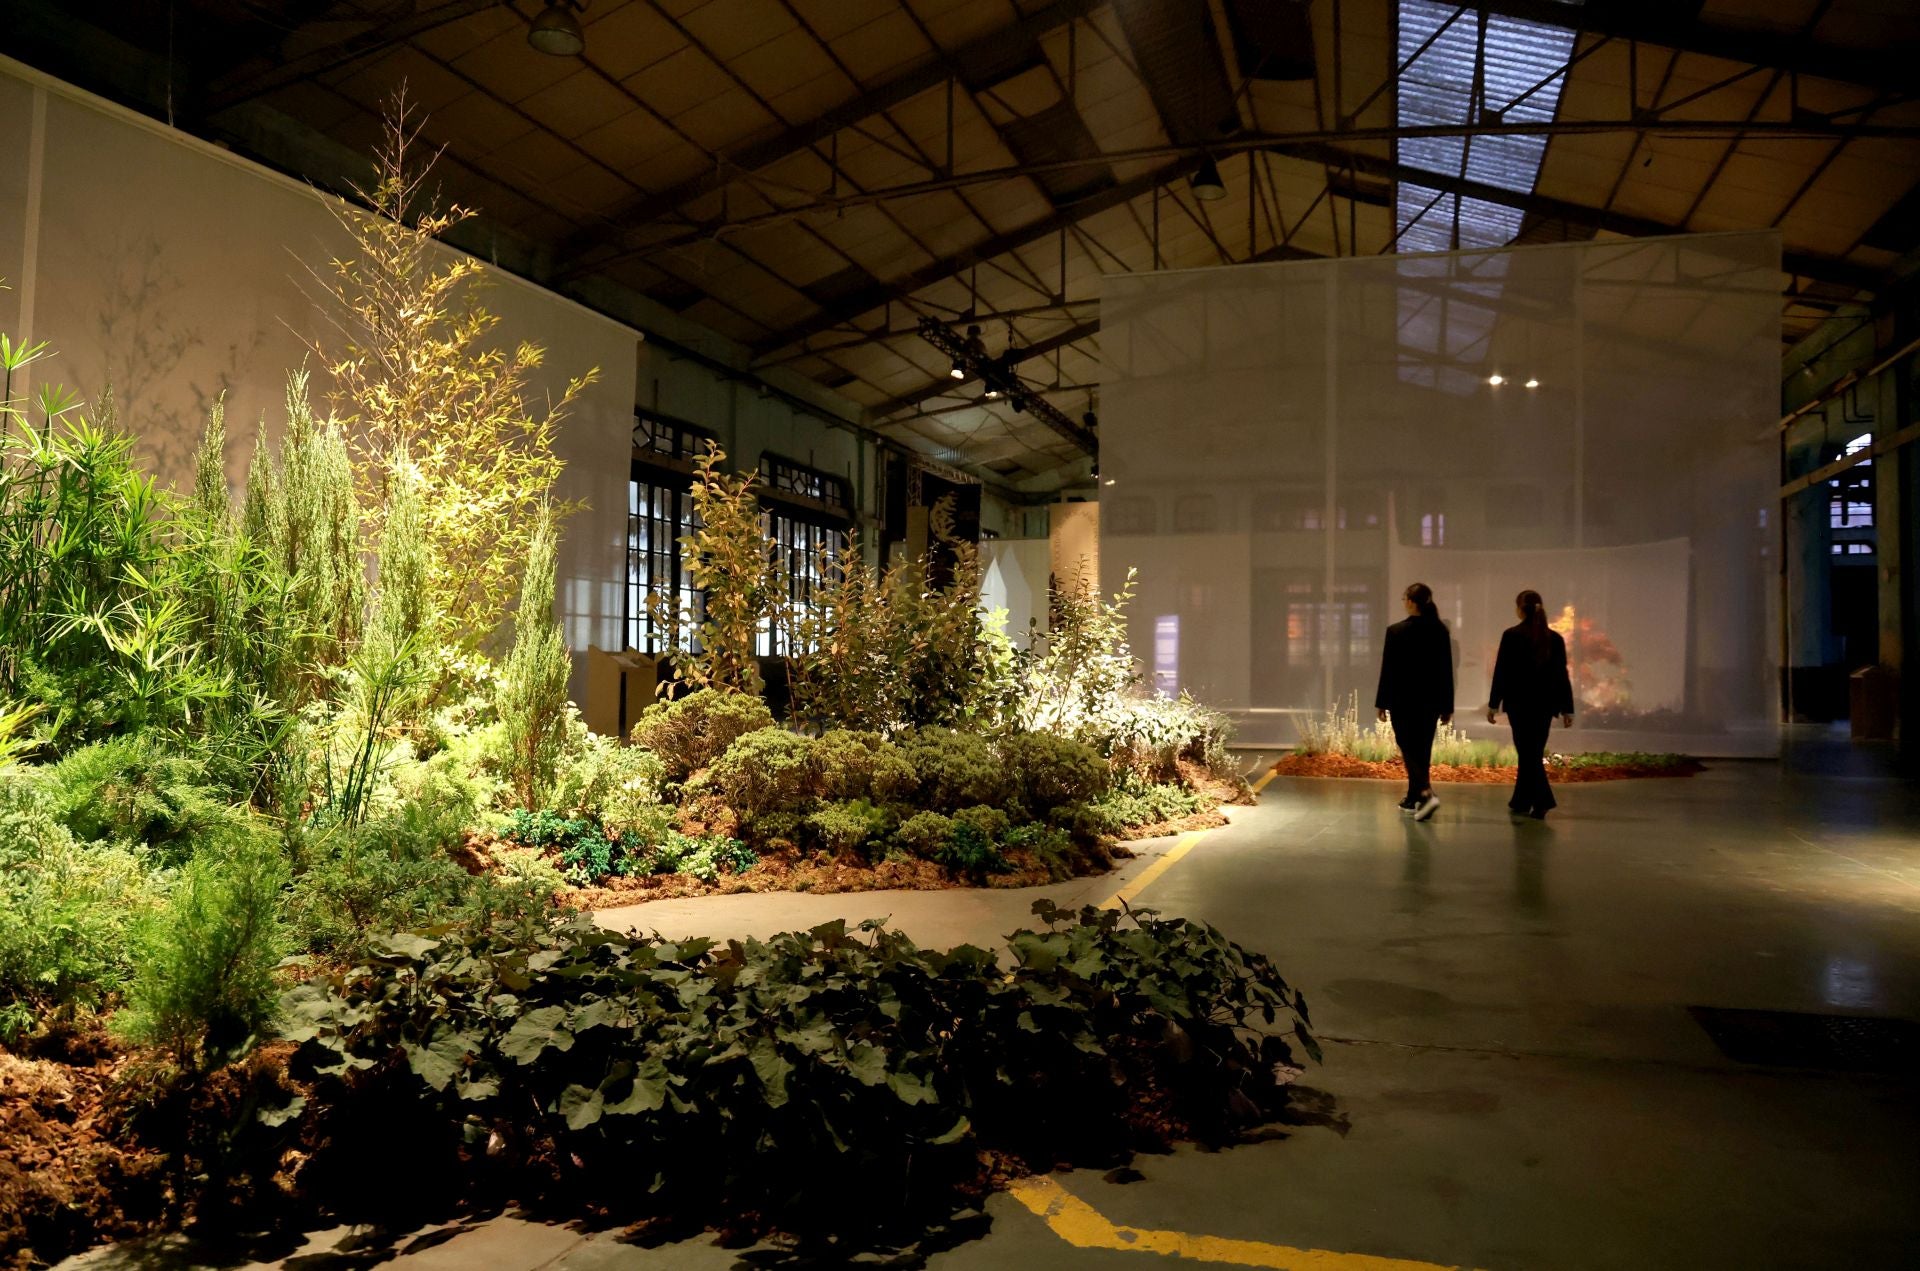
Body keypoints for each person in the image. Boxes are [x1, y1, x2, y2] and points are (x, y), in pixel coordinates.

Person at [1486, 589, 1575, 819]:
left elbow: (1502, 672)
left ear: (1520, 609)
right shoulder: (1554, 639)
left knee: (1528, 754)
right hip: (1545, 706)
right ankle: (1521, 800)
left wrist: (1494, 703)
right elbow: (1561, 676)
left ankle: (1543, 800)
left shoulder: (1511, 636)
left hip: (1519, 705)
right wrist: (1568, 708)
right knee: (1531, 752)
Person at [1374, 582, 1454, 822]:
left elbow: (1388, 671)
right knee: (1422, 749)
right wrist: (1447, 706)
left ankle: (1427, 795)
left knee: (1408, 749)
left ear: (1411, 602)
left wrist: (1382, 702)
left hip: (1403, 702)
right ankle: (1413, 796)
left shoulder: (1396, 631)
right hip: (1430, 703)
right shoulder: (1440, 631)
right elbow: (1445, 672)